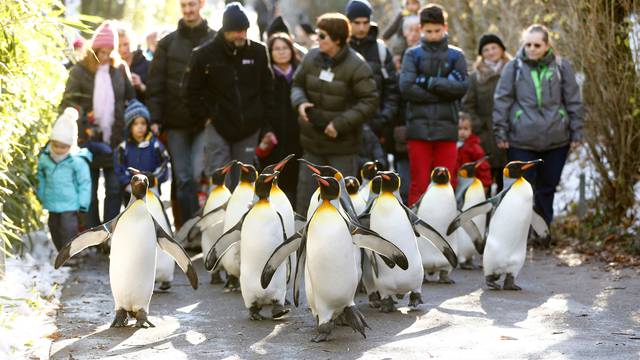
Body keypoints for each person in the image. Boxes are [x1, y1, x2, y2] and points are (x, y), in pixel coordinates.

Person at [493, 24, 584, 237]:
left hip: (557, 140)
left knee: (547, 189)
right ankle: (518, 235)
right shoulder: (513, 67)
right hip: (521, 141)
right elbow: (502, 100)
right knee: (521, 192)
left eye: (537, 45)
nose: (532, 49)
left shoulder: (562, 67)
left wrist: (576, 131)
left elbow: (573, 100)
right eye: (528, 44)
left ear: (546, 46)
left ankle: (542, 234)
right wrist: (500, 131)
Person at [291, 12, 378, 214]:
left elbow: (370, 101)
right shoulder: (311, 57)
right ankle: (303, 245)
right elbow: (297, 84)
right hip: (311, 146)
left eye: (322, 36)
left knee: (342, 206)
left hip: (342, 149)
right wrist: (300, 103)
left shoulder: (358, 65)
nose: (317, 39)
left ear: (337, 39)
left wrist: (339, 124)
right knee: (305, 205)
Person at [184, 2, 275, 188]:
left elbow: (268, 89)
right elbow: (189, 92)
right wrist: (207, 116)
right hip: (218, 127)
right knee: (219, 183)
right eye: (236, 30)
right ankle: (218, 218)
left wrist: (263, 123)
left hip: (249, 128)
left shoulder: (258, 52)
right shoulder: (203, 55)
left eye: (244, 30)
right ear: (225, 31)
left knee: (246, 183)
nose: (241, 34)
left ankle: (244, 218)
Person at [60, 20, 135, 228]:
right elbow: (67, 102)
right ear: (93, 49)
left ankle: (109, 233)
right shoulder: (80, 71)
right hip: (88, 139)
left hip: (115, 138)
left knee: (113, 188)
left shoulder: (119, 69)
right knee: (89, 189)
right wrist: (83, 120)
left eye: (109, 51)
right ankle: (93, 233)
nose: (104, 56)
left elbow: (131, 99)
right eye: (101, 51)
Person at [147, 0, 215, 226]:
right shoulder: (167, 44)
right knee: (183, 178)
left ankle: (198, 227)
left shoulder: (214, 39)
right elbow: (155, 84)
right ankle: (188, 229)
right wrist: (155, 119)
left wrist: (213, 115)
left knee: (196, 174)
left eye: (192, 4)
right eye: (184, 5)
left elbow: (221, 84)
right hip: (175, 123)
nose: (188, 10)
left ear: (201, 4)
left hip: (203, 123)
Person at [398, 4, 468, 206]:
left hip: (447, 130)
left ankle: (444, 229)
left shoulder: (457, 55)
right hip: (418, 131)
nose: (434, 35)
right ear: (421, 29)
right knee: (419, 183)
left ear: (445, 27)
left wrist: (428, 82)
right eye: (429, 31)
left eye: (437, 30)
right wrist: (445, 91)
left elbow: (462, 87)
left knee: (446, 183)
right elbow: (407, 88)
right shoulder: (412, 55)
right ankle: (415, 230)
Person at [346, 0, 399, 171]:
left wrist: (384, 118)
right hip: (346, 128)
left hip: (377, 128)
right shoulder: (339, 49)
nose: (362, 27)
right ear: (348, 22)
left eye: (365, 22)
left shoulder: (381, 51)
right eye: (357, 23)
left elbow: (392, 89)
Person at [256, 32, 302, 206]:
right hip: (272, 140)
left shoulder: (300, 74)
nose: (281, 52)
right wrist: (265, 131)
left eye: (285, 48)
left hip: (298, 140)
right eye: (276, 49)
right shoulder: (265, 77)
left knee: (296, 184)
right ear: (270, 52)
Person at [37, 108, 92, 251]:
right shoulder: (45, 158)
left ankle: (70, 254)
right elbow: (40, 177)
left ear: (71, 145)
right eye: (56, 145)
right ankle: (60, 252)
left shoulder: (76, 161)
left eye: (63, 147)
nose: (59, 150)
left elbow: (84, 182)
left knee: (68, 229)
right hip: (51, 200)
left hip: (70, 203)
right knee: (54, 227)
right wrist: (41, 195)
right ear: (51, 141)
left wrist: (83, 203)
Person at [462, 33, 511, 194]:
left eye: (494, 48)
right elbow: (467, 106)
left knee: (508, 184)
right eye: (486, 49)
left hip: (510, 135)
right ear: (481, 54)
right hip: (485, 137)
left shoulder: (513, 71)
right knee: (485, 184)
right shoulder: (475, 78)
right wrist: (479, 125)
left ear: (502, 49)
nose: (490, 52)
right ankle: (486, 218)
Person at [391, 14, 421, 203]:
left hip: (427, 125)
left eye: (417, 29)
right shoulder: (397, 51)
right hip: (402, 129)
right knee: (405, 178)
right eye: (409, 30)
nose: (414, 34)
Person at [114, 100, 169, 200]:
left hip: (152, 191)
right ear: (129, 126)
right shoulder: (123, 147)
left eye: (143, 123)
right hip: (130, 192)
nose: (140, 126)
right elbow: (119, 169)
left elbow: (164, 165)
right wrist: (127, 183)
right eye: (135, 123)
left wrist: (154, 179)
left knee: (155, 215)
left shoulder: (155, 145)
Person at [456, 113, 492, 192]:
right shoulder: (453, 146)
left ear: (471, 130)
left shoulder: (474, 147)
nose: (462, 132)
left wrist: (485, 184)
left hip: (472, 184)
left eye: (466, 129)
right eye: (459, 129)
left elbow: (483, 167)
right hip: (456, 184)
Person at [118, 27, 150, 102]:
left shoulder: (146, 64)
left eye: (126, 44)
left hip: (143, 110)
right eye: (118, 46)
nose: (122, 49)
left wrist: (141, 86)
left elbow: (156, 95)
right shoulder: (112, 66)